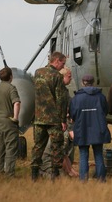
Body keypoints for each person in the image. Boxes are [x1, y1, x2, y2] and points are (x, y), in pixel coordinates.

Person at [31, 51, 68, 181]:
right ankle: (54, 174)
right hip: (53, 119)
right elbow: (61, 99)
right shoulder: (57, 76)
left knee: (38, 146)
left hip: (39, 117)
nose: (63, 67)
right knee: (56, 146)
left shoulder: (37, 73)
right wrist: (63, 119)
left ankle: (34, 174)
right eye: (62, 63)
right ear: (56, 60)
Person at [69, 74, 111, 182]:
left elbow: (72, 114)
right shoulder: (101, 96)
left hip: (82, 129)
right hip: (98, 129)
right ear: (93, 82)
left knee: (83, 155)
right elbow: (106, 111)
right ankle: (101, 179)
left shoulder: (76, 98)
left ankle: (83, 180)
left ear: (83, 83)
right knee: (98, 154)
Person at [40, 67, 78, 178]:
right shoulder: (58, 90)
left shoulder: (63, 90)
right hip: (48, 164)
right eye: (69, 76)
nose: (71, 79)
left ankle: (64, 172)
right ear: (63, 77)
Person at [0, 67, 21, 177]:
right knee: (11, 147)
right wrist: (15, 117)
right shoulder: (11, 88)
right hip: (8, 121)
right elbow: (16, 103)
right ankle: (9, 174)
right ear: (11, 76)